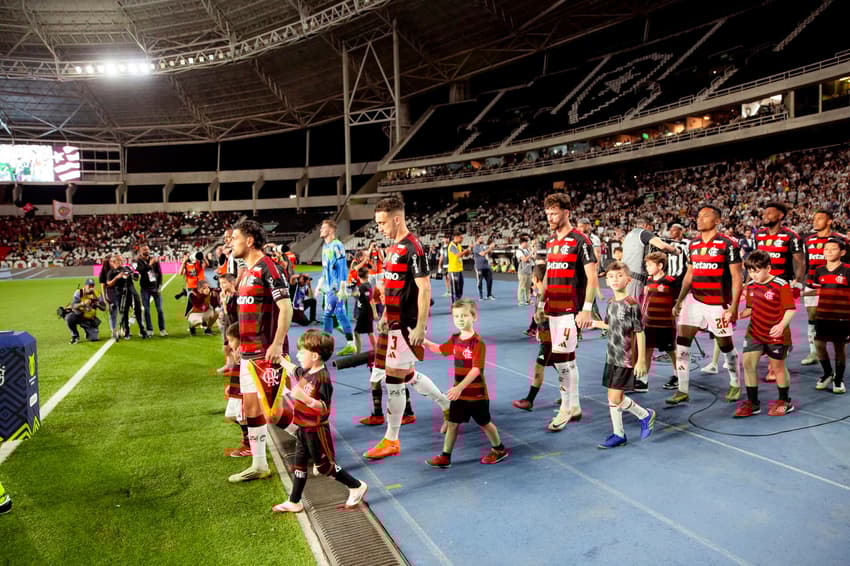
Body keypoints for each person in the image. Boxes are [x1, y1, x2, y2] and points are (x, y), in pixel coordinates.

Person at [363, 196, 450, 460]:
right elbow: (394, 286)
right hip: (393, 322)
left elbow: (424, 289)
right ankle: (449, 406)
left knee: (393, 378)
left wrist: (420, 327)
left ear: (396, 219)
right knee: (408, 374)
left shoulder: (413, 247)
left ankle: (392, 440)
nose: (379, 228)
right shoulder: (394, 248)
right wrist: (383, 311)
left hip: (407, 324)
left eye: (382, 222)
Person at [273, 330, 368, 513]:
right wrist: (283, 361)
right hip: (303, 427)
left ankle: (356, 485)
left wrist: (305, 399)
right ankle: (294, 501)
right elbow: (296, 370)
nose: (298, 354)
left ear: (315, 356)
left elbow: (324, 407)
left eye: (302, 351)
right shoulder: (308, 371)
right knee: (299, 465)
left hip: (316, 430)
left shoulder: (322, 378)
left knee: (324, 467)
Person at [228, 219, 293, 483]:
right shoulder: (244, 272)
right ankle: (259, 465)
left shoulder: (269, 268)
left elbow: (286, 308)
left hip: (267, 353)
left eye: (234, 238)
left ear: (250, 241)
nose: (230, 243)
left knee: (273, 413)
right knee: (252, 410)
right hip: (248, 352)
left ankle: (317, 444)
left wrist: (277, 344)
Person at [669, 205, 743, 405]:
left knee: (725, 344)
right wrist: (680, 299)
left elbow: (737, 277)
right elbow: (689, 275)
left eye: (705, 216)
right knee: (682, 343)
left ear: (717, 221)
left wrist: (734, 306)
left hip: (717, 303)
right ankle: (682, 389)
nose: (699, 219)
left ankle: (735, 383)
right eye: (698, 216)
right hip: (694, 300)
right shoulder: (692, 244)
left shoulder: (728, 244)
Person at [423, 298, 509, 467]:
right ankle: (445, 456)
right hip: (459, 394)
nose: (460, 319)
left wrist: (460, 388)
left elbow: (476, 369)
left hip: (476, 394)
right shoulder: (455, 339)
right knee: (453, 424)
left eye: (464, 315)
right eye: (456, 316)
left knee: (485, 424)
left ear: (474, 317)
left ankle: (499, 449)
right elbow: (441, 350)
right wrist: (424, 341)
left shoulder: (478, 342)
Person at [541, 192, 599, 431]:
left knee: (562, 360)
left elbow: (593, 277)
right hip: (552, 308)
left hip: (569, 309)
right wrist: (539, 303)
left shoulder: (581, 241)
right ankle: (573, 406)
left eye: (554, 213)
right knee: (568, 359)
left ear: (567, 212)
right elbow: (548, 273)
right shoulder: (552, 242)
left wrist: (586, 310)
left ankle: (565, 408)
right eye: (548, 213)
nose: (550, 217)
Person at [590, 262, 655, 448]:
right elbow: (611, 326)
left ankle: (643, 416)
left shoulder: (631, 304)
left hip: (625, 357)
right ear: (606, 281)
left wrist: (641, 360)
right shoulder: (611, 303)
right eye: (611, 276)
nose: (615, 279)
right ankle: (619, 433)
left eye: (619, 276)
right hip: (612, 356)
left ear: (628, 279)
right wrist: (593, 324)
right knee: (612, 397)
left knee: (615, 397)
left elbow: (640, 332)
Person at [734, 250, 796, 417]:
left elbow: (790, 309)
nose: (753, 275)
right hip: (755, 331)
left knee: (778, 368)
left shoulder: (781, 285)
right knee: (748, 364)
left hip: (776, 333)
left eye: (757, 270)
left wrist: (782, 325)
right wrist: (736, 314)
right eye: (751, 271)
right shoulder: (751, 286)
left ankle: (785, 400)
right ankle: (753, 403)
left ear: (768, 268)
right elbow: (750, 308)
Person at [801, 210, 847, 366]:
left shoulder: (841, 240)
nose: (815, 221)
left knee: (835, 317)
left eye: (819, 218)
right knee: (812, 317)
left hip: (834, 286)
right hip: (812, 284)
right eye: (814, 218)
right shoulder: (808, 240)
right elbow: (807, 263)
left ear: (829, 221)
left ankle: (838, 347)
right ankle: (814, 351)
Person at [512, 264, 555, 411]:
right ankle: (568, 394)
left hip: (552, 338)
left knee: (540, 367)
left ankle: (529, 400)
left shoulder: (550, 297)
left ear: (535, 278)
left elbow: (556, 317)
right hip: (546, 336)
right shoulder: (540, 295)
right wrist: (539, 330)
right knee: (561, 366)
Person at [810, 238, 850, 394]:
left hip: (842, 317)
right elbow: (818, 290)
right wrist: (800, 293)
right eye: (826, 249)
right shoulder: (819, 270)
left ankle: (838, 380)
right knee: (819, 345)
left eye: (833, 249)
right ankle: (827, 373)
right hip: (823, 315)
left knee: (839, 348)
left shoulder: (847, 270)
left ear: (842, 252)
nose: (828, 252)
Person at [641, 252, 679, 391]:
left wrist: (676, 311)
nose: (647, 268)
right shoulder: (649, 281)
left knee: (671, 350)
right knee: (647, 350)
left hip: (666, 324)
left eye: (650, 265)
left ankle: (677, 375)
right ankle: (643, 379)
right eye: (646, 265)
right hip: (650, 323)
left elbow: (677, 301)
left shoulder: (670, 281)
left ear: (660, 265)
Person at [318, 219, 356, 356]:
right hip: (329, 287)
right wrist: (319, 285)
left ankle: (327, 345)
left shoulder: (337, 245)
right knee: (337, 313)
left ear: (331, 230)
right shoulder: (325, 247)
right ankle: (349, 343)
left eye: (323, 227)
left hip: (336, 287)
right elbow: (324, 269)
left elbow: (342, 267)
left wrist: (342, 287)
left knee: (330, 314)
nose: (321, 230)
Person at [621, 216, 680, 302]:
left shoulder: (628, 235)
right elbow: (662, 246)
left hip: (624, 274)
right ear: (645, 225)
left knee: (626, 304)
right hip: (635, 277)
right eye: (651, 226)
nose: (652, 229)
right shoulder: (644, 233)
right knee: (633, 307)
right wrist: (675, 251)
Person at [223, 322, 251, 457]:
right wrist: (231, 386)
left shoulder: (246, 353)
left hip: (243, 391)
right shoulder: (238, 352)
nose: (229, 344)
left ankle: (248, 444)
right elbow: (237, 370)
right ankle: (249, 439)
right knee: (232, 415)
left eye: (231, 340)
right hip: (237, 388)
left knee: (242, 417)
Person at [135, 245, 167, 337]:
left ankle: (162, 329)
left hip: (155, 288)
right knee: (147, 310)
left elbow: (160, 273)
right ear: (141, 252)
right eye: (145, 250)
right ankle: (149, 329)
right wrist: (150, 264)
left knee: (160, 310)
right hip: (145, 289)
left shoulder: (154, 260)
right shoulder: (139, 261)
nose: (147, 251)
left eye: (148, 249)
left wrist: (160, 285)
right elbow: (142, 271)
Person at [65, 278, 106, 343]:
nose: (91, 287)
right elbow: (73, 306)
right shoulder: (79, 292)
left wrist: (98, 304)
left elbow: (104, 308)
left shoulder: (97, 293)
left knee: (94, 338)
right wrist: (82, 304)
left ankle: (88, 332)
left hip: (89, 319)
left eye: (92, 286)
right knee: (69, 318)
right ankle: (75, 336)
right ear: (85, 286)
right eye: (89, 286)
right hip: (79, 315)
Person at [353, 267, 377, 354]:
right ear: (367, 275)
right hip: (365, 312)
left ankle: (358, 353)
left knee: (356, 332)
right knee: (370, 332)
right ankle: (376, 351)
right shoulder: (367, 285)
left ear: (358, 276)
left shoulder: (363, 287)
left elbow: (370, 300)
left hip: (364, 313)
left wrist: (375, 313)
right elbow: (359, 295)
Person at [447, 232, 470, 304]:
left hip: (459, 269)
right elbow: (458, 254)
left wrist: (468, 251)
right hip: (453, 270)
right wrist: (466, 250)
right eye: (461, 238)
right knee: (455, 288)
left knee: (460, 286)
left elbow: (465, 254)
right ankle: (454, 304)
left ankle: (459, 301)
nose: (462, 239)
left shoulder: (459, 245)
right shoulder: (452, 246)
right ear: (455, 237)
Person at [472, 235, 496, 300]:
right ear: (477, 239)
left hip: (487, 266)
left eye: (482, 238)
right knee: (480, 281)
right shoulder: (475, 247)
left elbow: (489, 253)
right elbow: (482, 253)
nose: (482, 239)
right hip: (479, 266)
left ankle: (489, 295)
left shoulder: (483, 246)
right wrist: (490, 248)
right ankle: (480, 296)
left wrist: (491, 249)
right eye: (481, 238)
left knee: (489, 281)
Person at [515, 235, 534, 306]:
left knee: (528, 287)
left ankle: (528, 300)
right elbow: (525, 259)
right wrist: (531, 253)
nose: (527, 244)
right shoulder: (518, 251)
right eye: (526, 243)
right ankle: (520, 301)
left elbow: (532, 258)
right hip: (522, 271)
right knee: (521, 287)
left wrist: (533, 253)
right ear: (522, 243)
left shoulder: (526, 250)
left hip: (529, 271)